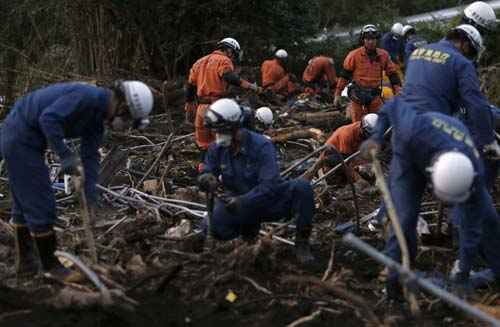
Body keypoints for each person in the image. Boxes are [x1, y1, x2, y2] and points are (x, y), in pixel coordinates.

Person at [2, 81, 153, 281]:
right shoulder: (86, 98)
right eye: (127, 120)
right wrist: (65, 155)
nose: (124, 127)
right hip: (19, 135)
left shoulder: (97, 119)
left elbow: (90, 157)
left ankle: (27, 266)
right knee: (41, 201)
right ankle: (51, 267)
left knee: (23, 206)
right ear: (123, 106)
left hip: (28, 137)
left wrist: (91, 197)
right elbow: (49, 118)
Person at [361, 98, 500, 298]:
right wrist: (376, 137)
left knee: (485, 218)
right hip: (413, 153)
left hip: (451, 151)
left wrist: (463, 270)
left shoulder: (473, 172)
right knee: (404, 218)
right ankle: (393, 287)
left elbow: (471, 228)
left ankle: (483, 269)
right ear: (431, 174)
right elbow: (392, 106)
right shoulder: (413, 129)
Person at [197, 98, 315, 263]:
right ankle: (247, 234)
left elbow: (270, 185)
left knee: (302, 188)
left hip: (267, 201)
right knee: (210, 226)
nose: (217, 136)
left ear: (234, 127)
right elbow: (208, 169)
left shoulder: (261, 146)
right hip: (236, 203)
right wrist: (206, 178)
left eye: (220, 132)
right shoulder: (217, 148)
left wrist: (244, 201)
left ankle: (302, 243)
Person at [184, 37, 262, 156]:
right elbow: (229, 77)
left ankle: (205, 170)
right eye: (234, 54)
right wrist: (250, 86)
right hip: (217, 108)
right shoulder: (224, 60)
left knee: (204, 146)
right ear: (229, 51)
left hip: (201, 108)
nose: (233, 58)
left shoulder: (199, 62)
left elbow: (190, 87)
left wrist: (189, 105)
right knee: (224, 144)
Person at [334, 24, 401, 122]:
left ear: (377, 40)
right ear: (363, 40)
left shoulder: (383, 55)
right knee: (358, 126)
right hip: (357, 97)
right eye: (367, 39)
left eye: (373, 39)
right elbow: (344, 76)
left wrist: (398, 91)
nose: (370, 42)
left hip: (375, 97)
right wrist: (337, 94)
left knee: (379, 124)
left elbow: (393, 75)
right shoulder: (354, 55)